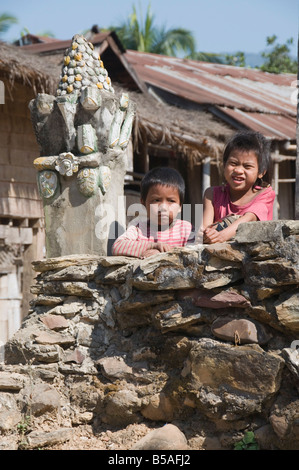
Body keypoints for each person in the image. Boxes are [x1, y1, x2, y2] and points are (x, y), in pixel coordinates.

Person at [201, 130, 275, 244]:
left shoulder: (265, 194)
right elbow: (204, 229)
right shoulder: (212, 194)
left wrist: (221, 236)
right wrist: (207, 235)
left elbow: (249, 218)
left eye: (247, 166)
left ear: (261, 172)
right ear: (224, 165)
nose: (238, 170)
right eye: (233, 163)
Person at [112, 167, 194, 258]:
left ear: (180, 206)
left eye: (171, 201)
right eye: (156, 200)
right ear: (143, 203)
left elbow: (194, 255)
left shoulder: (186, 229)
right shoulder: (138, 228)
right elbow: (117, 247)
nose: (163, 207)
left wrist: (161, 254)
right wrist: (153, 246)